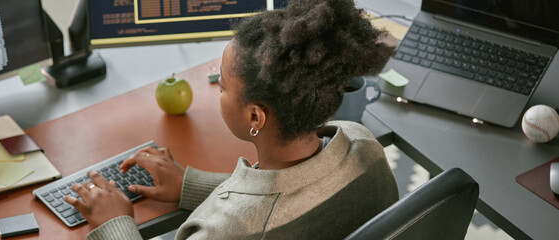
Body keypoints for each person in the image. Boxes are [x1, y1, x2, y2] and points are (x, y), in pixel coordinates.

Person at [64, 0, 399, 239]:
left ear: (255, 115)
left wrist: (115, 224)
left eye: (222, 85)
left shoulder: (223, 230)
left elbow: (258, 214)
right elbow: (303, 189)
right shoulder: (363, 146)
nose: (217, 90)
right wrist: (190, 187)